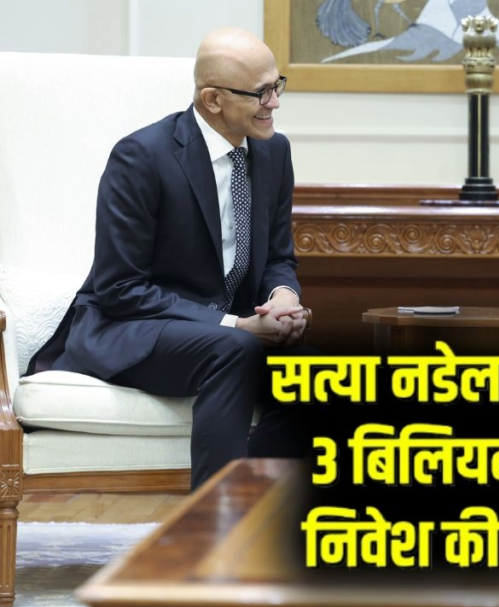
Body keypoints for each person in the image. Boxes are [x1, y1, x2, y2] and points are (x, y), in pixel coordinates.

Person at [28, 27, 311, 490]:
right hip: (133, 328)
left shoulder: (274, 151)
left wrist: (283, 298)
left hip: (224, 329)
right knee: (236, 349)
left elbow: (279, 257)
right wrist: (236, 326)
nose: (275, 102)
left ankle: (258, 496)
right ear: (213, 99)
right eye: (261, 92)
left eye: (276, 85)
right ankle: (215, 519)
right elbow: (121, 289)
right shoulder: (141, 157)